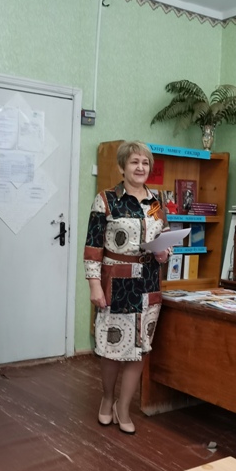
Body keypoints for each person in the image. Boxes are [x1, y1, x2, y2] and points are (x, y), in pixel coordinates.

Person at [84, 141, 171, 434]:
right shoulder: (106, 200)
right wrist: (94, 286)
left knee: (140, 348)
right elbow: (93, 247)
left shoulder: (156, 201)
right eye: (134, 162)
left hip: (149, 283)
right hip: (116, 283)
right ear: (122, 167)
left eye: (145, 163)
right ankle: (107, 398)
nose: (140, 168)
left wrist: (164, 252)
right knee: (112, 347)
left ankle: (124, 407)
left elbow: (165, 235)